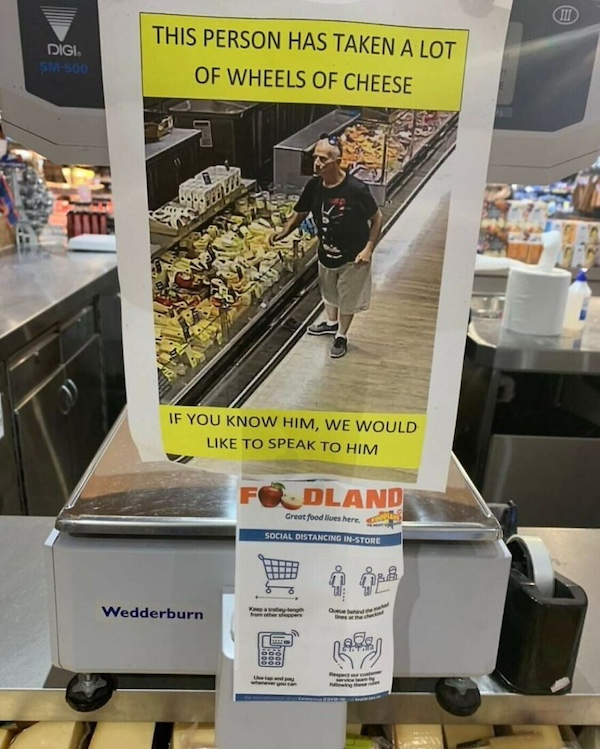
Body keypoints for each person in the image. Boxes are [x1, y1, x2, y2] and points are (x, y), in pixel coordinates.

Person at [270, 134, 383, 358]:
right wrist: (284, 232)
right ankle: (331, 324)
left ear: (338, 161)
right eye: (315, 158)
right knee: (330, 292)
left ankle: (341, 335)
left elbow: (377, 218)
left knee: (347, 299)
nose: (317, 163)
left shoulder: (356, 189)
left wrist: (368, 248)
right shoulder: (314, 186)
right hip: (326, 253)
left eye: (323, 159)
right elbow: (300, 213)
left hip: (353, 257)